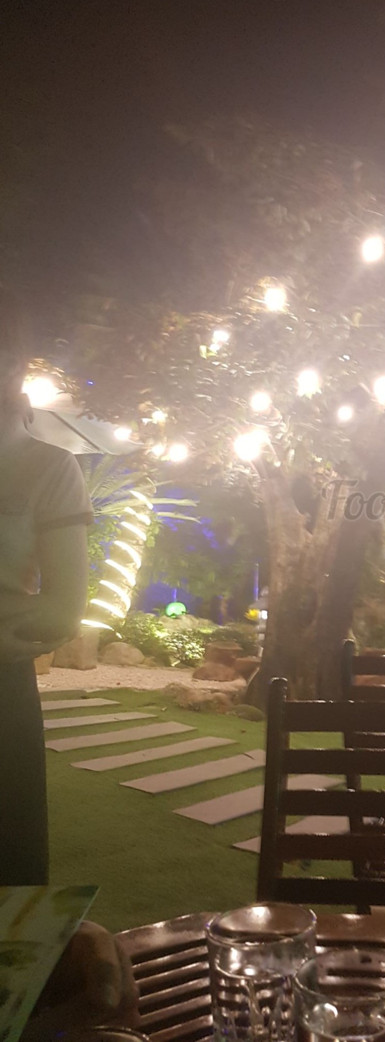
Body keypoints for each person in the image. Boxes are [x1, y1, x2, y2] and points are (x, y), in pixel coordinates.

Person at [0, 311, 93, 886]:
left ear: (12, 364)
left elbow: (63, 610)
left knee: (8, 890)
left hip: (2, 701)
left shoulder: (49, 467)